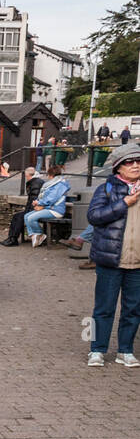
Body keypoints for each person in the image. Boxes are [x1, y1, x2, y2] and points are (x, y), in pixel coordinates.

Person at [84, 144, 140, 367]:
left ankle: (125, 350)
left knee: (133, 309)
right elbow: (95, 216)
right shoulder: (106, 188)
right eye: (129, 161)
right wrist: (123, 203)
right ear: (119, 167)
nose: (135, 165)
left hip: (137, 262)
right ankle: (96, 349)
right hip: (111, 259)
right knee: (104, 308)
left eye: (138, 160)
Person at [23, 165, 70, 247]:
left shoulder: (60, 185)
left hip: (56, 210)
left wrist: (39, 203)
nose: (47, 177)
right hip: (49, 208)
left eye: (48, 175)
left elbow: (51, 198)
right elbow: (47, 198)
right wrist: (38, 202)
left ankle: (39, 234)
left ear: (51, 175)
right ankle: (34, 236)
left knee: (31, 218)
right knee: (26, 216)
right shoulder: (54, 183)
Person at [0, 167, 45, 246]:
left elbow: (34, 200)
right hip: (34, 208)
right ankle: (11, 238)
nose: (26, 178)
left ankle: (13, 239)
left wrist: (27, 211)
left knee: (20, 217)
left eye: (26, 176)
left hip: (37, 209)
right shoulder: (34, 182)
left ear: (28, 175)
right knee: (16, 216)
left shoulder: (35, 183)